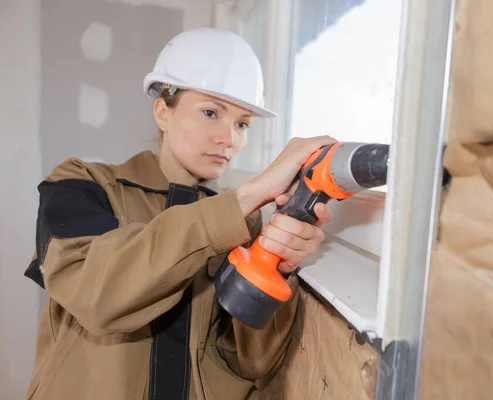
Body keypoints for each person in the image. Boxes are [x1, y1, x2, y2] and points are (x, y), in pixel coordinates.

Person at [23, 27, 336, 400]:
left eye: (242, 123)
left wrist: (278, 269)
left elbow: (251, 361)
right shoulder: (82, 184)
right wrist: (250, 194)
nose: (229, 138)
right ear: (162, 112)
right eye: (210, 112)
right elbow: (97, 296)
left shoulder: (242, 222)